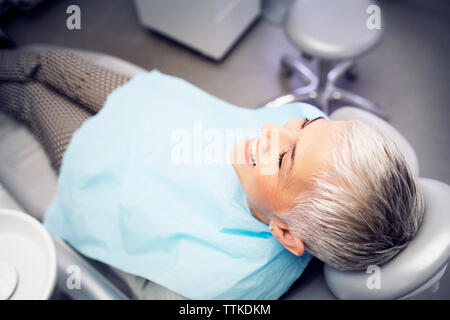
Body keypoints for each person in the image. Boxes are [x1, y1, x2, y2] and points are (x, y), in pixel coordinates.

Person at [0, 47, 424, 299]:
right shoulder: (300, 137)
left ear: (287, 235)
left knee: (32, 98)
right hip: (153, 108)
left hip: (97, 164)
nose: (274, 130)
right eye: (307, 126)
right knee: (45, 62)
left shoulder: (230, 277)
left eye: (282, 160)